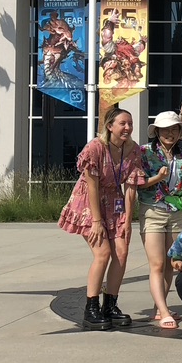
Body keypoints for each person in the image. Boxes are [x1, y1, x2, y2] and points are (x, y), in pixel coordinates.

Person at [59, 106, 146, 330]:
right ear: (110, 126)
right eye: (122, 123)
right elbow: (92, 186)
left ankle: (111, 305)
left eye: (130, 123)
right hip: (90, 203)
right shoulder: (96, 147)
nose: (127, 128)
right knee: (103, 253)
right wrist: (97, 222)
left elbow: (131, 186)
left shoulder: (133, 149)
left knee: (122, 252)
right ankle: (91, 308)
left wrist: (127, 220)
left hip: (115, 203)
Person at [138, 103, 182, 329]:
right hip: (153, 210)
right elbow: (137, 183)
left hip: (177, 212)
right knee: (157, 264)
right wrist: (157, 178)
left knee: (171, 264)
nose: (170, 133)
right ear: (156, 132)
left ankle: (160, 307)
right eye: (165, 129)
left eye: (175, 129)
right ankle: (164, 310)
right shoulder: (145, 152)